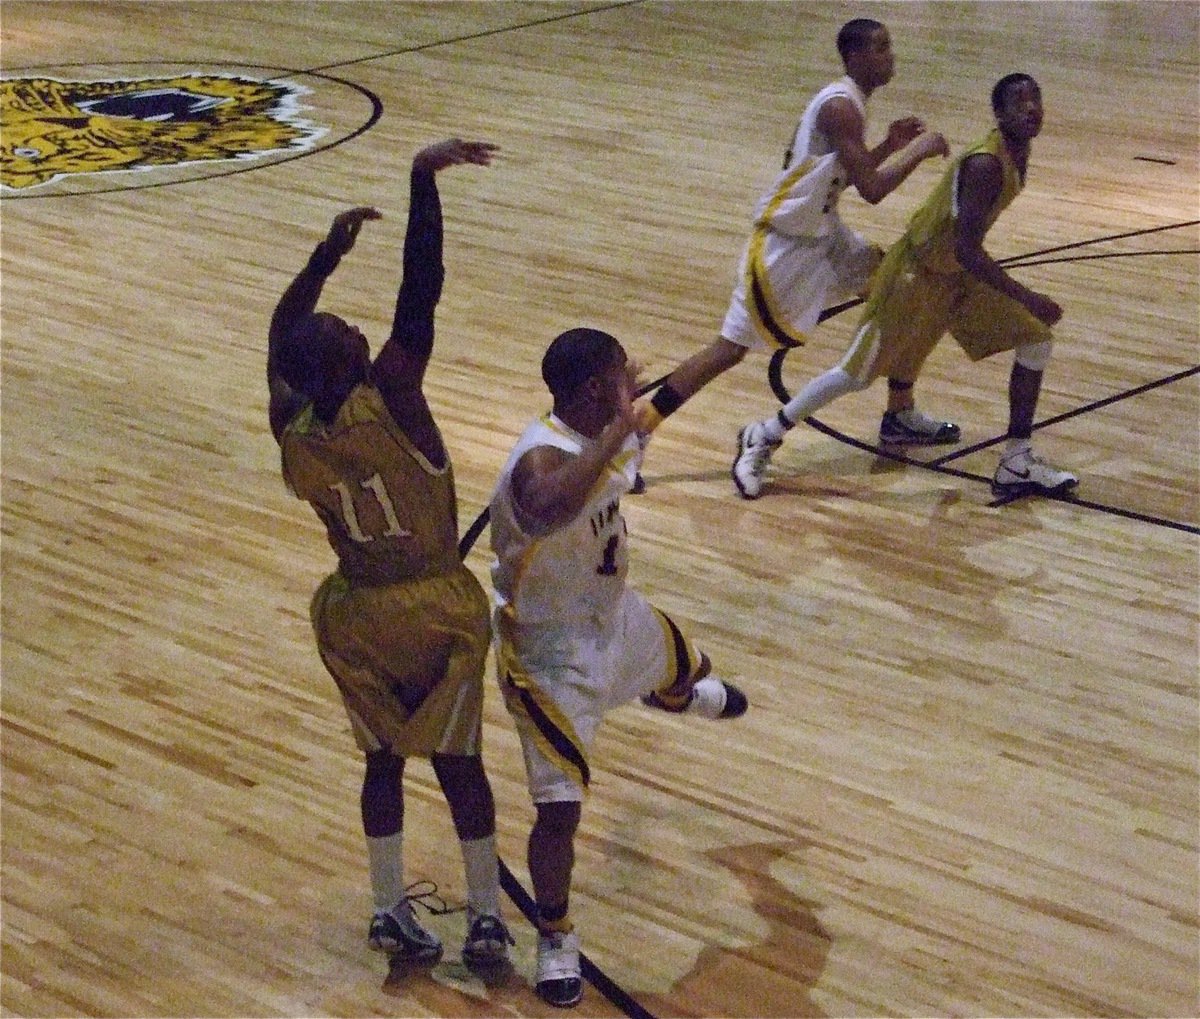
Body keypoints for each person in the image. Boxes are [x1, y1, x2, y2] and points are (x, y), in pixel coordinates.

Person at [266, 138, 514, 971]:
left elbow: (280, 340)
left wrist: (321, 261)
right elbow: (423, 290)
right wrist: (422, 181)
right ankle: (484, 917)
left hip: (352, 610)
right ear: (346, 362)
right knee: (459, 764)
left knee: (381, 761)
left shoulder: (292, 430)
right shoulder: (397, 396)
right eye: (345, 330)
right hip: (432, 603)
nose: (357, 324)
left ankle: (386, 910)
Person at [488, 327, 749, 1007]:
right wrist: (619, 431)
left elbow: (673, 392)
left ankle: (668, 694)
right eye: (620, 376)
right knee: (560, 813)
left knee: (694, 665)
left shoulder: (609, 427)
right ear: (599, 391)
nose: (635, 381)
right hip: (550, 651)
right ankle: (554, 932)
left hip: (613, 615)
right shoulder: (540, 455)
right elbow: (550, 505)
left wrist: (732, 345)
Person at [732, 73, 1079, 500]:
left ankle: (1015, 460)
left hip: (952, 274)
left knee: (1035, 340)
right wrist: (1028, 296)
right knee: (854, 374)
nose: (1030, 109)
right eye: (1018, 102)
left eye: (1036, 99)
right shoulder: (986, 164)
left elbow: (964, 253)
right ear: (999, 113)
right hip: (914, 273)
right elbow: (969, 249)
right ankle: (763, 434)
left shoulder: (1016, 153)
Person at [635, 18, 950, 474]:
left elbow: (838, 178)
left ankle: (899, 412)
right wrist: (920, 149)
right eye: (881, 48)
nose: (890, 56)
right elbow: (872, 189)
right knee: (728, 350)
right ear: (855, 56)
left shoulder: (848, 104)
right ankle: (641, 426)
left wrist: (886, 145)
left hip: (823, 233)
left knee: (900, 293)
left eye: (890, 46)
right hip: (784, 247)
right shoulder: (841, 106)